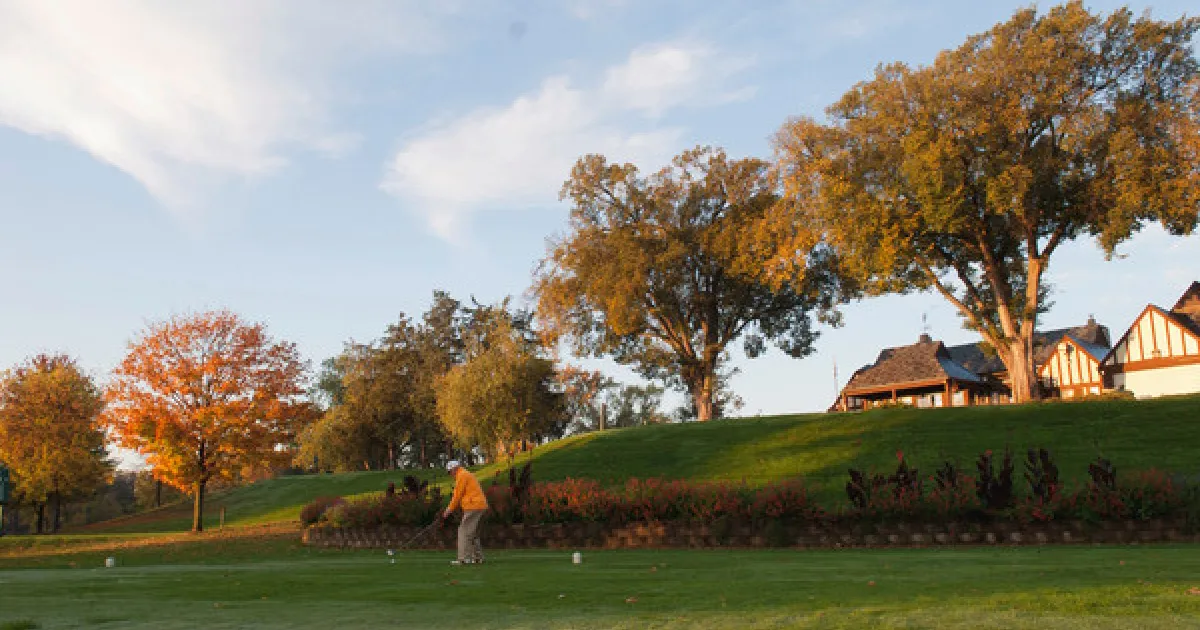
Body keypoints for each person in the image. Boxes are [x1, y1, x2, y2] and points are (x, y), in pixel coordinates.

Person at [443, 460, 488, 565]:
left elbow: (457, 495)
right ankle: (477, 558)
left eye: (450, 472)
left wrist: (448, 510)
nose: (450, 475)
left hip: (473, 506)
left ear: (455, 469)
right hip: (479, 505)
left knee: (463, 531)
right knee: (473, 533)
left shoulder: (462, 475)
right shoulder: (465, 474)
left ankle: (463, 559)